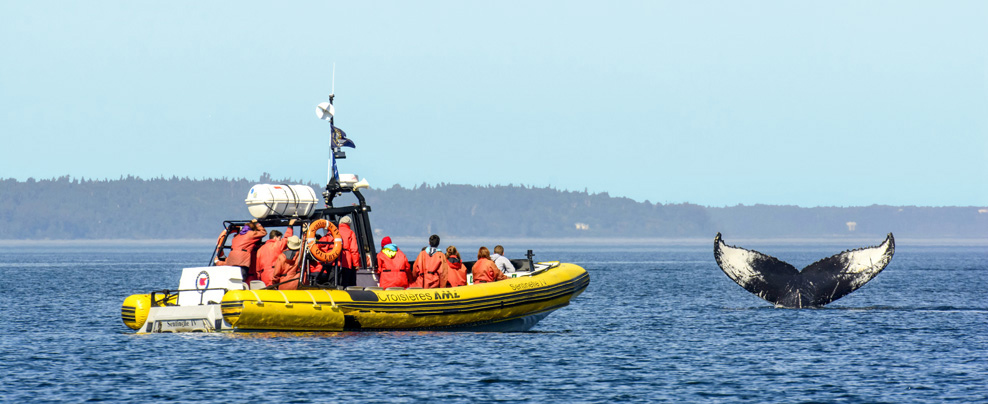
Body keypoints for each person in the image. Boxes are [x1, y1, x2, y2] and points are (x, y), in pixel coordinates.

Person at [337, 216, 361, 286]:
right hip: (347, 262)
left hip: (335, 260)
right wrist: (356, 264)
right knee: (347, 283)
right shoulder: (350, 233)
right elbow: (354, 249)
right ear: (349, 224)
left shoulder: (334, 231)